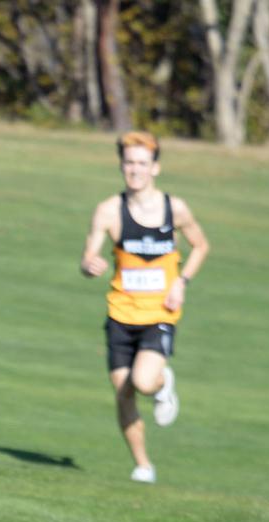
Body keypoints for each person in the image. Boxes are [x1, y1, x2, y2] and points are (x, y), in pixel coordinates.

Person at [80, 131, 209, 484]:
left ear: (155, 167)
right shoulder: (109, 210)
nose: (134, 170)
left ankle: (163, 382)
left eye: (141, 163)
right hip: (121, 315)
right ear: (121, 165)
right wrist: (89, 264)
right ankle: (143, 466)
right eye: (129, 162)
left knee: (142, 381)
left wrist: (181, 283)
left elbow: (200, 246)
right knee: (123, 393)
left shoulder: (175, 208)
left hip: (159, 315)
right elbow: (89, 253)